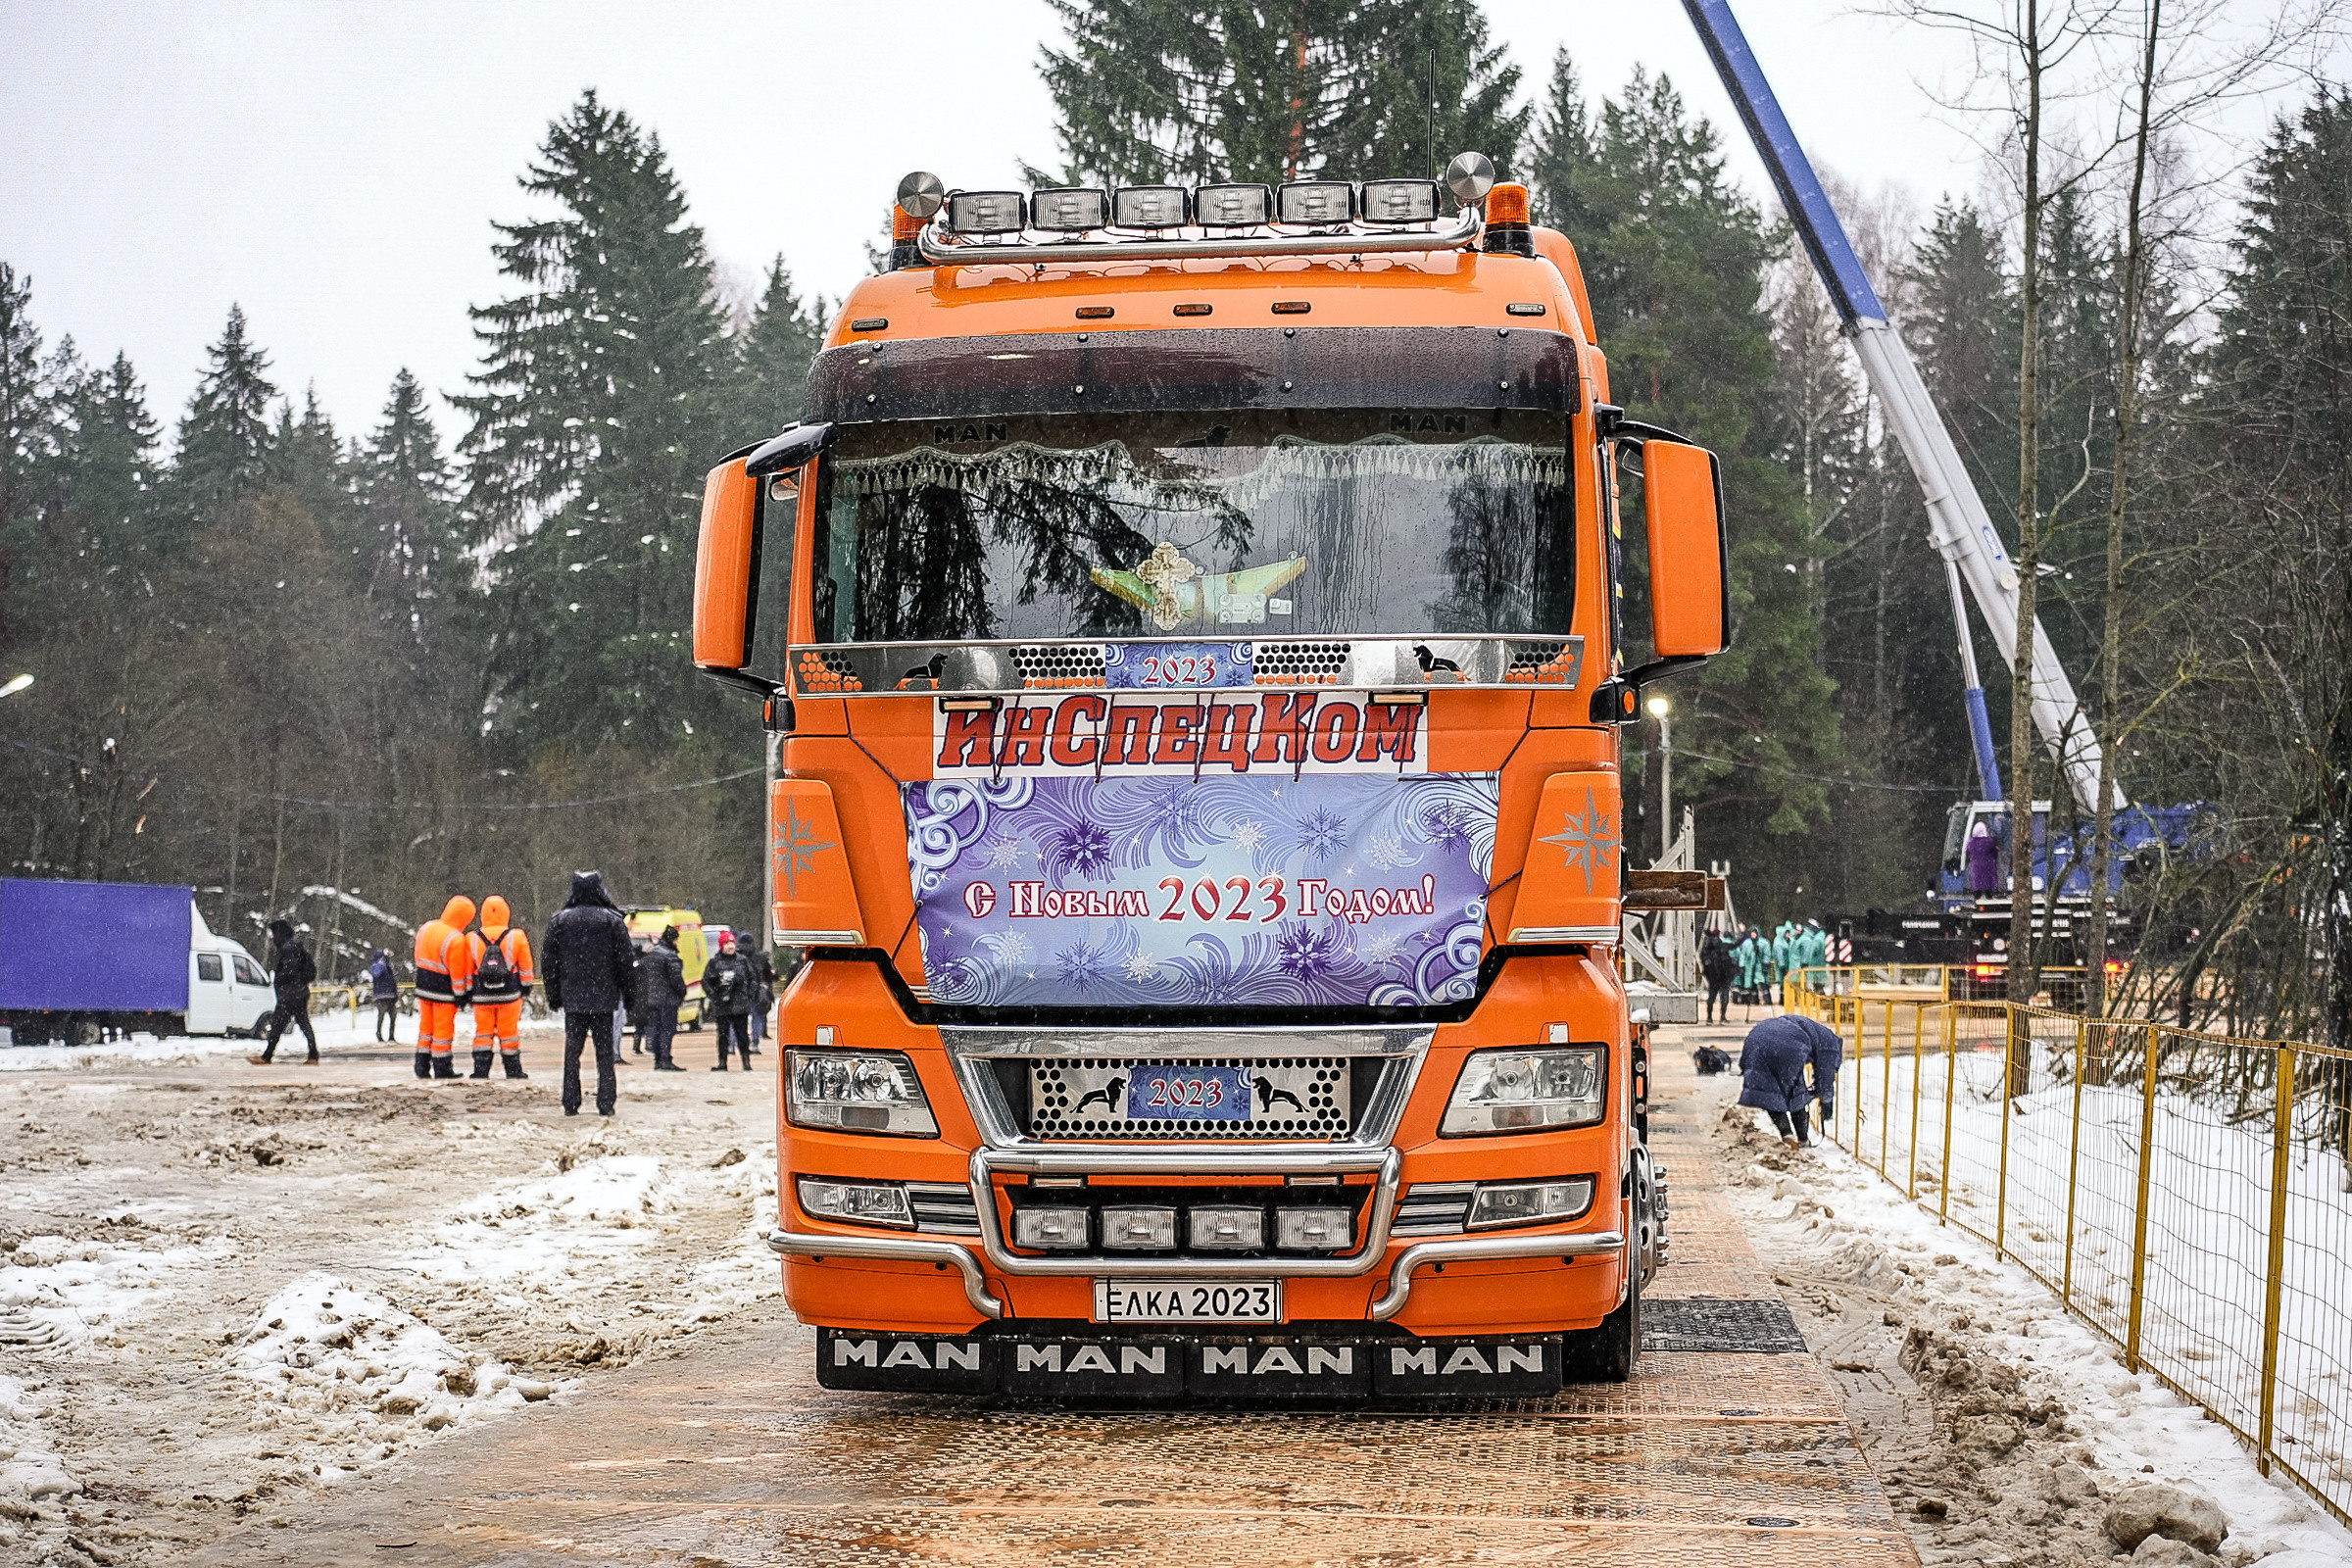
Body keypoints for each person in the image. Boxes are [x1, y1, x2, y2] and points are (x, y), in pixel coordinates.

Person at [542, 870, 636, 1117]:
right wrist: (629, 994)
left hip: (574, 998)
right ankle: (606, 1102)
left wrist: (554, 995)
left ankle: (570, 1101)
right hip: (604, 998)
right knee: (605, 1054)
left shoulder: (560, 921)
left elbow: (549, 963)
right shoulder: (612, 921)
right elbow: (625, 962)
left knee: (572, 1052)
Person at [1738, 1012, 1845, 1149]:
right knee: (1796, 1093)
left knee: (1770, 1092)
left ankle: (1787, 1134)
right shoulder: (1831, 1047)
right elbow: (1825, 1081)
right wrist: (1825, 1102)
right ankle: (1803, 1140)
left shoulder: (1817, 1031)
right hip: (1787, 1044)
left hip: (1757, 1036)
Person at [466, 896, 534, 1081]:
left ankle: (481, 1070)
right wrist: (526, 987)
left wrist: (467, 991)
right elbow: (526, 966)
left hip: (481, 995)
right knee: (509, 1033)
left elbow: (466, 969)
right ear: (506, 913)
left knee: (483, 1033)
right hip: (510, 994)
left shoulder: (471, 938)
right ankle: (513, 1070)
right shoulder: (516, 936)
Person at [412, 896, 478, 1081]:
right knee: (443, 1031)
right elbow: (457, 972)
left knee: (426, 1028)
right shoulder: (456, 939)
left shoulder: (427, 927)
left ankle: (421, 1065)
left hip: (423, 985)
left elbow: (417, 955)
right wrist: (461, 995)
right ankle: (442, 1068)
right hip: (443, 991)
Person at [248, 917, 318, 1065]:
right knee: (302, 1023)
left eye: (274, 932)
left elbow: (288, 972)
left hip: (290, 994)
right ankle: (313, 1055)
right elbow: (308, 971)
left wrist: (281, 981)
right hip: (298, 992)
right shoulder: (296, 947)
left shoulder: (288, 949)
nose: (272, 936)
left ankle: (267, 1057)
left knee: (278, 1024)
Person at [703, 933, 759, 1071]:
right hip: (722, 1005)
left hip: (740, 1005)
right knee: (723, 1035)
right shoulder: (715, 962)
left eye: (732, 943)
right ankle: (723, 1062)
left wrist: (749, 994)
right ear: (722, 946)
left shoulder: (743, 960)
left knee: (742, 1035)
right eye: (727, 943)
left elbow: (753, 979)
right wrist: (714, 996)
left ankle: (746, 1062)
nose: (731, 946)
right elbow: (706, 981)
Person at [636, 925, 688, 1072]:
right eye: (676, 939)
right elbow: (676, 979)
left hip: (653, 999)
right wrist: (682, 992)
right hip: (667, 999)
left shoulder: (652, 953)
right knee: (667, 1030)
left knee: (656, 1029)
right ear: (672, 939)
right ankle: (665, 1059)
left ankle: (658, 1060)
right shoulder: (670, 955)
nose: (677, 942)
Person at [1699, 929, 1736, 1024]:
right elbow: (1729, 962)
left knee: (1711, 997)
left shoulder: (1707, 949)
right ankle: (1723, 1017)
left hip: (1713, 977)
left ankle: (1709, 1018)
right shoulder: (1722, 946)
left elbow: (1704, 961)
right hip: (1723, 977)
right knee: (1724, 996)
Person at [367, 947, 400, 1043]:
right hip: (381, 996)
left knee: (393, 1016)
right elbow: (377, 973)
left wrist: (395, 994)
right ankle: (379, 1034)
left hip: (391, 995)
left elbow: (392, 981)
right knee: (381, 1015)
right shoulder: (377, 965)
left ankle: (391, 1035)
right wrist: (383, 960)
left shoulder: (388, 967)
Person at [1966, 819, 2002, 897]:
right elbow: (1994, 851)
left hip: (1976, 863)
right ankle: (1988, 892)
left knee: (1977, 877)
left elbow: (1968, 851)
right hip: (1987, 863)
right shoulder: (1989, 841)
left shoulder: (1971, 842)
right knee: (1988, 877)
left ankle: (1977, 892)